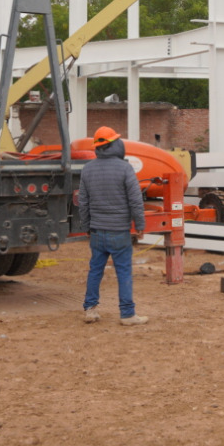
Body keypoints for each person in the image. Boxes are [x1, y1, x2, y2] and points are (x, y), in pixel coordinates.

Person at [78, 126, 148, 327]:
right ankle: (127, 315)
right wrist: (140, 224)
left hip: (98, 232)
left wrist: (87, 227)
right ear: (115, 144)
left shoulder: (88, 169)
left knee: (95, 271)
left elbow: (83, 202)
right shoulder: (125, 168)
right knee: (124, 271)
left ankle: (90, 310)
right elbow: (135, 200)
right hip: (119, 232)